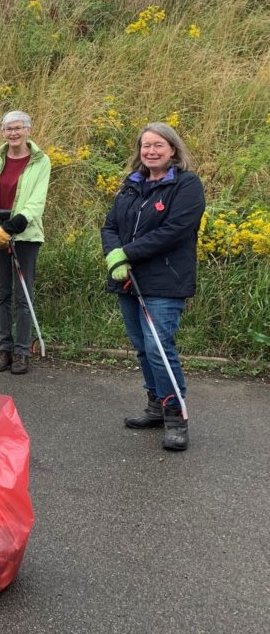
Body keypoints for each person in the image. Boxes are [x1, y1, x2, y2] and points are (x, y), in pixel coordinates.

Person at [101, 122, 204, 452]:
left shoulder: (187, 185)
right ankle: (156, 407)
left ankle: (176, 417)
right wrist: (115, 258)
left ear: (173, 149)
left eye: (159, 145)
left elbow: (175, 230)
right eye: (146, 146)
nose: (151, 151)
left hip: (165, 280)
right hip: (128, 279)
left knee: (160, 349)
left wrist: (126, 252)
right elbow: (110, 225)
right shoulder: (131, 185)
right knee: (142, 347)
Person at [0, 110, 50, 375]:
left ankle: (21, 352)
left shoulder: (41, 161)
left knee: (23, 295)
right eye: (9, 129)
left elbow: (36, 201)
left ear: (28, 130)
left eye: (18, 128)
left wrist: (12, 227)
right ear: (2, 132)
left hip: (25, 233)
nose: (14, 133)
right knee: (1, 292)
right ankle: (3, 349)